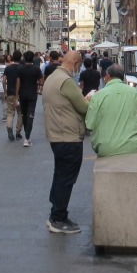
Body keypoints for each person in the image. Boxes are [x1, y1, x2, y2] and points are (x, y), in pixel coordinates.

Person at [42, 48, 89, 234]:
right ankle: (58, 219)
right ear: (76, 63)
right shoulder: (66, 81)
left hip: (57, 134)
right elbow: (84, 107)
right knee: (66, 178)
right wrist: (91, 98)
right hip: (68, 136)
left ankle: (56, 213)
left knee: (60, 174)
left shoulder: (52, 77)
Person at [85, 64, 137, 157]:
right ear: (122, 77)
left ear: (108, 76)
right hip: (134, 148)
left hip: (106, 149)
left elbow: (89, 125)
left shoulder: (97, 96)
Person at [15, 50, 43, 147]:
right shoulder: (36, 69)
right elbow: (41, 81)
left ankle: (27, 136)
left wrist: (16, 96)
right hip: (32, 95)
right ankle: (27, 138)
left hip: (22, 95)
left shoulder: (20, 69)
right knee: (30, 115)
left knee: (24, 115)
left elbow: (18, 82)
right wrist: (37, 84)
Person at [3, 52, 24, 141]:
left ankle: (9, 126)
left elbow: (3, 80)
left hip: (10, 93)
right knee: (20, 113)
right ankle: (18, 132)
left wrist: (5, 92)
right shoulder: (22, 68)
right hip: (20, 94)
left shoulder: (8, 68)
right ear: (20, 58)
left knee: (10, 112)